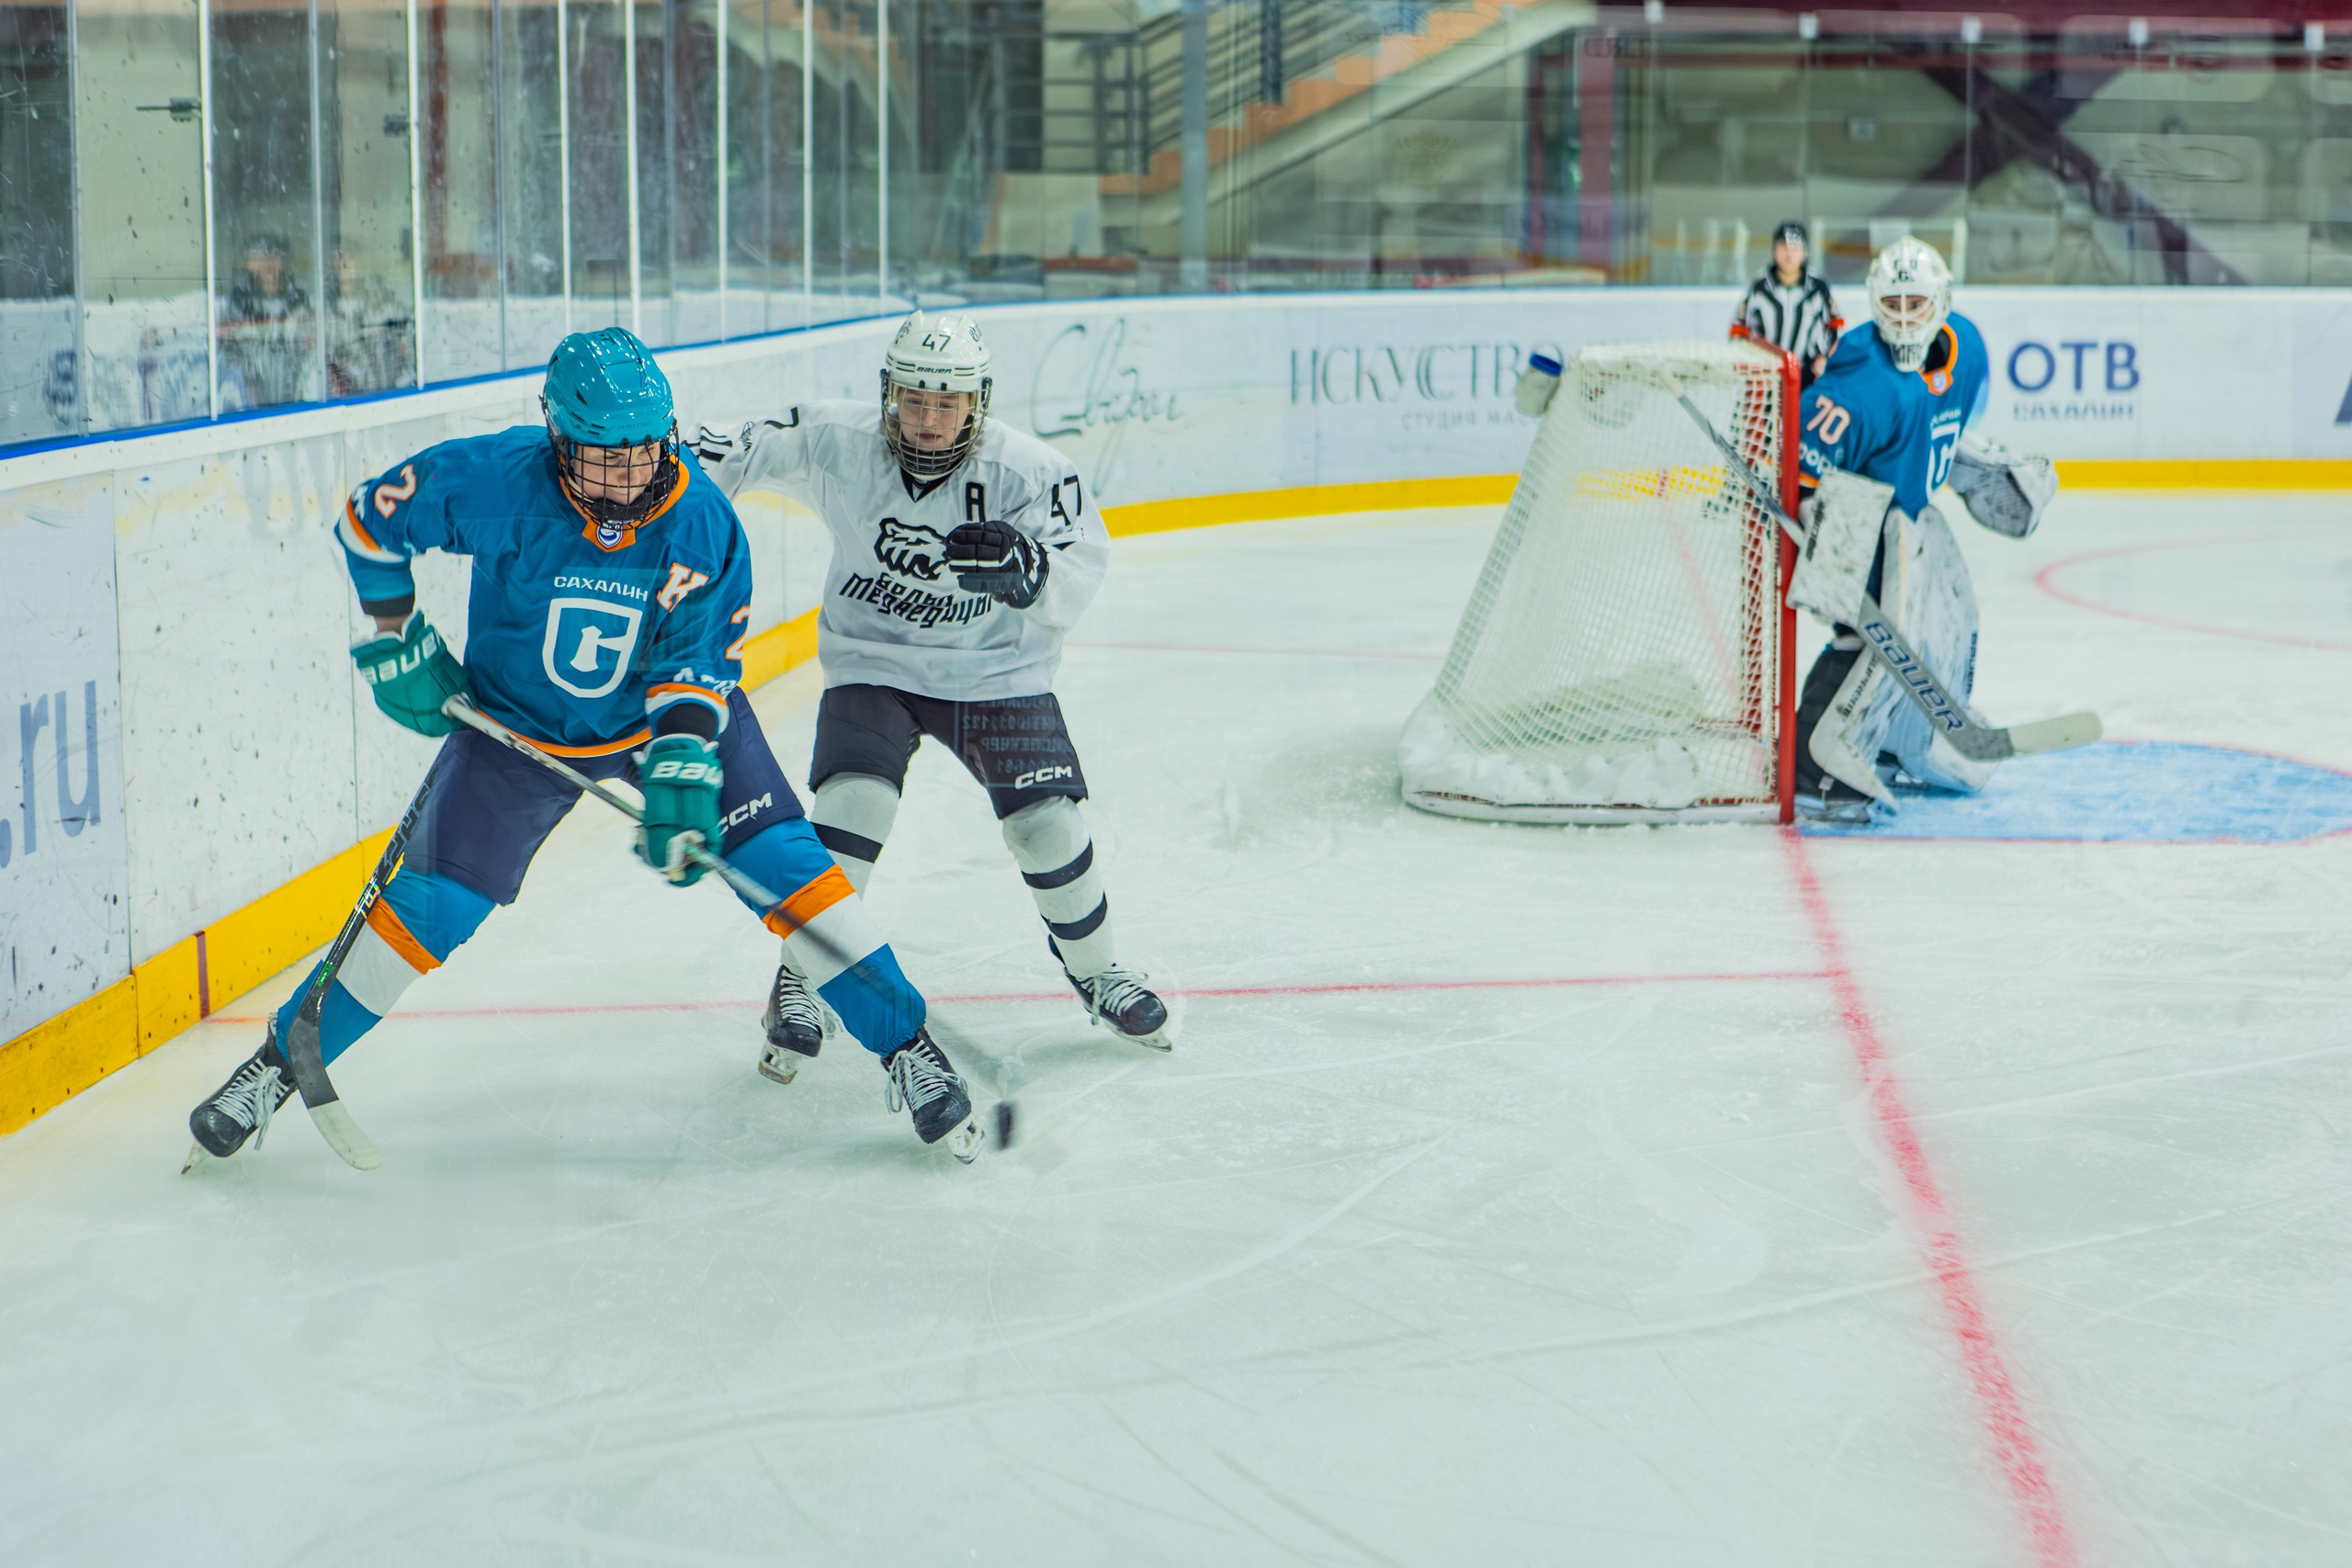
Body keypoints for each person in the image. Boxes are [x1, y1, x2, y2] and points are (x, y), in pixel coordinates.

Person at [187, 327, 985, 1164]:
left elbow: (695, 669)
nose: (630, 474)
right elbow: (368, 523)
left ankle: (907, 1046)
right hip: (517, 731)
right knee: (426, 912)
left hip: (659, 722)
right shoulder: (495, 480)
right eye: (604, 456)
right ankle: (276, 1065)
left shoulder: (702, 524)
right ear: (558, 439)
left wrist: (680, 773)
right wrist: (397, 637)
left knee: (789, 865)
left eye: (645, 451)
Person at [690, 310, 1171, 1091]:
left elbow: (1082, 556)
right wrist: (641, 478)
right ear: (888, 393)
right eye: (914, 399)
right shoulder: (840, 441)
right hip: (873, 667)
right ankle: (800, 980)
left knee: (1049, 830)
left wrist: (1029, 572)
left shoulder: (1026, 472)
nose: (929, 418)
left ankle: (1098, 970)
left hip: (995, 676)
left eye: (947, 403)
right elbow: (729, 451)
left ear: (978, 402)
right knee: (851, 815)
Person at [1787, 236, 2057, 819]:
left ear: (1943, 302)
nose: (1905, 318)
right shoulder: (1859, 383)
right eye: (1894, 304)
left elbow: (1938, 426)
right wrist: (1829, 551)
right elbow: (1799, 474)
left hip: (1910, 523)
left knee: (1933, 642)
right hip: (1861, 520)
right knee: (1869, 643)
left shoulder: (1969, 350)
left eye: (1917, 304)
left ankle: (1883, 741)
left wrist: (1976, 468)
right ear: (1874, 303)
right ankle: (1813, 769)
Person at [1731, 220, 1840, 386]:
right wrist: (1748, 362)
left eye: (1795, 249)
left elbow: (1835, 325)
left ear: (1804, 252)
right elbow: (1739, 327)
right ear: (1774, 251)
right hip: (1766, 375)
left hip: (1808, 376)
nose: (1789, 255)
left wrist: (1824, 357)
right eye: (1783, 247)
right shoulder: (1759, 287)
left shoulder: (1818, 288)